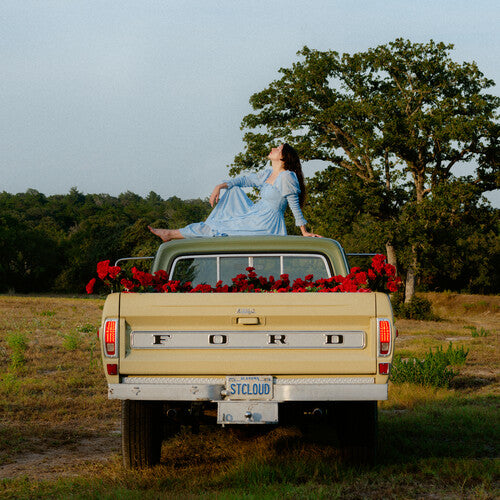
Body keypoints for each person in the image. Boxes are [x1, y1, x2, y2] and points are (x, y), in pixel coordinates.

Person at [148, 143, 322, 241]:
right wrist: (220, 186)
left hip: (265, 223)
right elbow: (244, 180)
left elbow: (294, 206)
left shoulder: (287, 177)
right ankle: (170, 234)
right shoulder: (267, 174)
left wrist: (304, 231)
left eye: (278, 148)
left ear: (283, 157)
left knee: (216, 230)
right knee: (233, 191)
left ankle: (170, 234)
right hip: (254, 214)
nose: (273, 148)